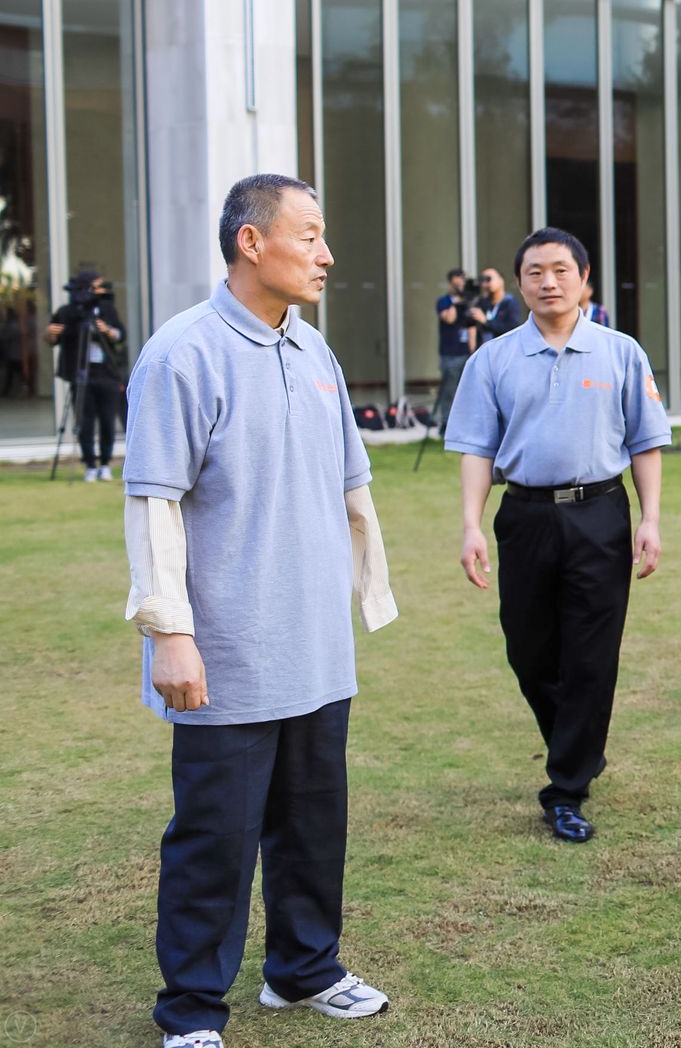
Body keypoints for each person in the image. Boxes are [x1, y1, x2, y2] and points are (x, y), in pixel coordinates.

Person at [122, 174, 398, 1048]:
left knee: (314, 824)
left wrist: (367, 600)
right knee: (216, 837)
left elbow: (351, 487)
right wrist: (171, 634)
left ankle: (303, 970)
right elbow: (154, 503)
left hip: (315, 645)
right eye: (309, 235)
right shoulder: (183, 354)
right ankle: (191, 1011)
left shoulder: (314, 352)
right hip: (228, 652)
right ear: (252, 241)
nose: (326, 254)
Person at [445, 227, 669, 845]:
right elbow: (476, 450)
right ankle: (580, 744)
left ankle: (565, 789)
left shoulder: (621, 353)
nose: (549, 282)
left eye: (561, 270)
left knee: (591, 656)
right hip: (525, 517)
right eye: (535, 272)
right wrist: (470, 525)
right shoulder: (492, 360)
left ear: (584, 279)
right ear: (519, 284)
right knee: (530, 652)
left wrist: (650, 519)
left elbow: (646, 442)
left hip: (600, 515)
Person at [46, 269, 127, 480]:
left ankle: (105, 464)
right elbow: (53, 339)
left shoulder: (106, 310)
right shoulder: (67, 313)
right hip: (80, 373)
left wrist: (107, 330)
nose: (101, 290)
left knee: (108, 420)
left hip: (106, 373)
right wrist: (50, 334)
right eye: (97, 286)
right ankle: (90, 464)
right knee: (85, 421)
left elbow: (120, 335)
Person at [430, 268, 474, 432]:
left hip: (466, 352)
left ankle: (465, 424)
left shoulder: (469, 302)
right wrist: (456, 301)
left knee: (468, 390)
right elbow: (449, 318)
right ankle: (446, 422)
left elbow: (471, 327)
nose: (461, 283)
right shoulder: (444, 301)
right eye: (458, 280)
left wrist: (473, 351)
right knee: (449, 389)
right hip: (450, 353)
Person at [467, 266, 521, 345]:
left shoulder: (510, 302)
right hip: (485, 348)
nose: (484, 284)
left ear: (500, 280)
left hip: (504, 348)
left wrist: (485, 321)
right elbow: (468, 323)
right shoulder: (482, 302)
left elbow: (511, 329)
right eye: (482, 280)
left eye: (488, 279)